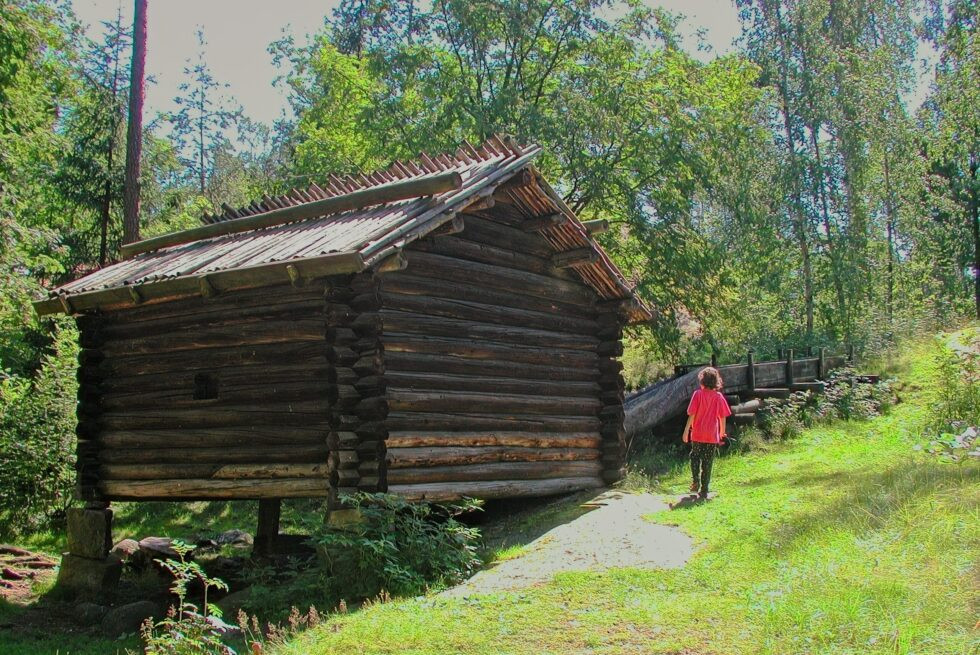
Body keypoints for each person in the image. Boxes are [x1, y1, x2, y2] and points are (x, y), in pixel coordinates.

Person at [681, 367, 731, 499]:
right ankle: (704, 490)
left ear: (702, 381)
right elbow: (723, 417)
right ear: (716, 382)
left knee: (695, 457)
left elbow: (691, 414)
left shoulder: (697, 394)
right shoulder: (718, 397)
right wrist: (722, 433)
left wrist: (686, 431)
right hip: (711, 436)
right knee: (708, 462)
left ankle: (695, 481)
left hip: (697, 434)